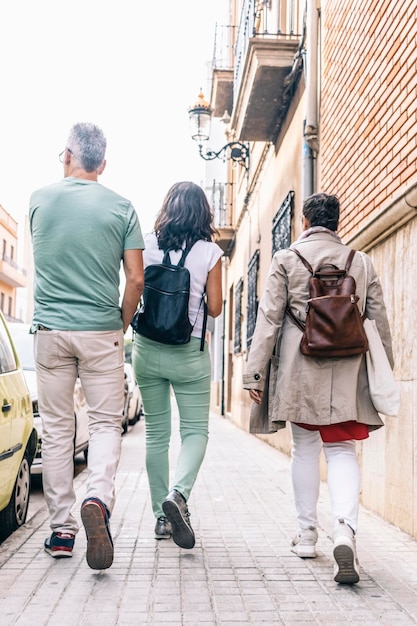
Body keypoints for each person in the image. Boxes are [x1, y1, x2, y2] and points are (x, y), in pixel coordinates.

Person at [243, 192, 394, 584]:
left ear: (305, 222)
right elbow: (378, 320)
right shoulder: (361, 262)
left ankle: (307, 534)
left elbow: (269, 319)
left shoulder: (285, 260)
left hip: (299, 369)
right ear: (337, 223)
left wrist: (255, 373)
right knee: (342, 449)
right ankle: (345, 531)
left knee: (304, 448)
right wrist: (383, 372)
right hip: (348, 369)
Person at [30, 122, 144, 570]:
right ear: (103, 163)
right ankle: (98, 497)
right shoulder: (121, 207)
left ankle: (61, 530)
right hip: (101, 330)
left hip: (50, 332)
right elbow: (136, 278)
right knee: (103, 425)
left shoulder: (40, 199)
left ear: (67, 156)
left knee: (58, 430)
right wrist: (121, 321)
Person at [132, 181, 223, 549]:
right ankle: (179, 496)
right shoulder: (211, 252)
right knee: (195, 432)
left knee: (156, 434)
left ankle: (159, 517)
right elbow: (215, 308)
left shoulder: (145, 244)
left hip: (147, 349)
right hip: (190, 353)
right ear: (204, 213)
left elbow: (134, 285)